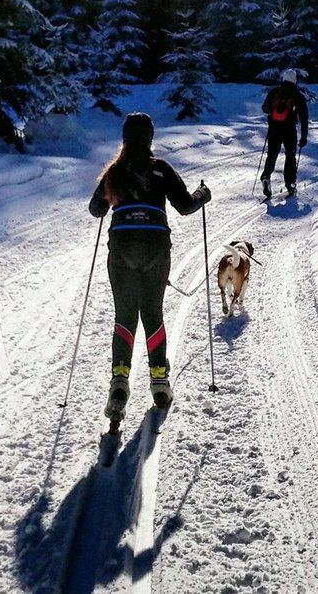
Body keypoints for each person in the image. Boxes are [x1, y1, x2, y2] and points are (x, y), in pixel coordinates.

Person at [89, 112, 211, 420]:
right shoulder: (161, 169)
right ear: (151, 138)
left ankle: (119, 379)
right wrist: (203, 194)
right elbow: (184, 206)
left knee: (125, 316)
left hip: (121, 250)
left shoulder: (115, 172)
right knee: (153, 313)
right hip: (156, 249)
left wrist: (112, 196)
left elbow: (95, 209)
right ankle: (159, 381)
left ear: (124, 138)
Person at [260, 69, 309, 198]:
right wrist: (304, 136)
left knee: (272, 155)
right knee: (290, 156)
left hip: (274, 129)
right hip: (289, 130)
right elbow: (304, 117)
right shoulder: (297, 95)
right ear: (295, 80)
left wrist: (272, 111)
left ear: (284, 79)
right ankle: (290, 184)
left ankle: (266, 176)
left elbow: (264, 108)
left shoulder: (275, 92)